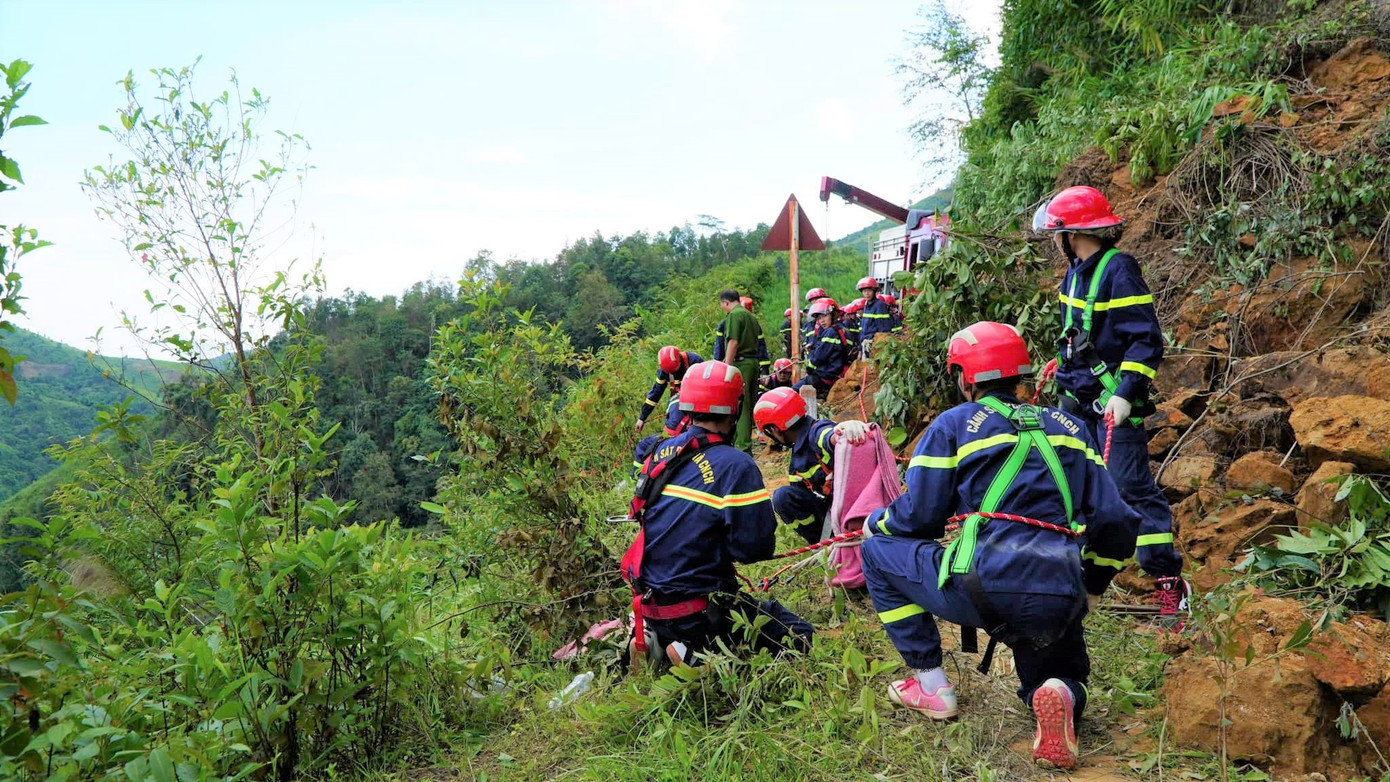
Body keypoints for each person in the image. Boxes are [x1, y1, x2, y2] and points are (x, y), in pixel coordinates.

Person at [860, 321, 1140, 771]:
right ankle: (1060, 694)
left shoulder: (954, 425)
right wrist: (1093, 586)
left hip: (983, 588)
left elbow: (921, 517)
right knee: (1060, 676)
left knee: (875, 553)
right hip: (1059, 592)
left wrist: (878, 523)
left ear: (965, 378)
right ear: (1022, 375)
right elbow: (1118, 521)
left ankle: (932, 687)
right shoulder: (1070, 427)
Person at [1034, 186, 1188, 619]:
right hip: (1074, 403)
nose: (1054, 241)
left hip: (1110, 407)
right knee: (1072, 489)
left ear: (1071, 233)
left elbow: (1145, 341)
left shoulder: (1120, 270)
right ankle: (1081, 584)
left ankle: (1168, 584)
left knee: (1129, 490)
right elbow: (1081, 332)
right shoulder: (1075, 272)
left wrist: (1123, 395)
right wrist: (1062, 364)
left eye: (1056, 234)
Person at [622, 360, 815, 668]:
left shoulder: (662, 452)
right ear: (736, 407)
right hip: (699, 607)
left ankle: (658, 638)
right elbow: (754, 549)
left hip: (650, 600)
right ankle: (698, 656)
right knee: (800, 636)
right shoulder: (735, 465)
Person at [755, 386, 870, 544]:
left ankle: (829, 541)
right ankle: (822, 543)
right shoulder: (799, 452)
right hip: (831, 508)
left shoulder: (816, 432)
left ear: (774, 429)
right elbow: (798, 490)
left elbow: (827, 436)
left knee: (781, 498)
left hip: (849, 508)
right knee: (784, 497)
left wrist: (841, 432)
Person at [717, 289, 763, 452]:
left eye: (722, 305)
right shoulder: (750, 316)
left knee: (740, 406)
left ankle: (742, 447)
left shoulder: (734, 316)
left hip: (741, 364)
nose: (723, 308)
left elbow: (733, 342)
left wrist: (726, 367)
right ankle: (743, 442)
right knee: (748, 405)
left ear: (725, 302)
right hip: (752, 362)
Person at [636, 346, 702, 436]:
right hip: (678, 406)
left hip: (698, 403)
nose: (673, 372)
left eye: (675, 369)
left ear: (679, 358)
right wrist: (642, 418)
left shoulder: (694, 361)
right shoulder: (665, 371)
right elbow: (655, 393)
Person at [795, 297, 852, 399]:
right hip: (834, 373)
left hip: (825, 376)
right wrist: (814, 345)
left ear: (833, 314)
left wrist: (809, 368)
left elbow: (818, 357)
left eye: (824, 316)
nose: (822, 321)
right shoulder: (840, 328)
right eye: (819, 318)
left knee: (792, 392)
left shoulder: (830, 332)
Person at [856, 277, 902, 357]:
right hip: (866, 345)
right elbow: (863, 330)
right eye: (864, 291)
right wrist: (860, 349)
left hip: (874, 345)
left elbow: (883, 329)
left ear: (874, 291)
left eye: (869, 291)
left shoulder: (880, 305)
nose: (867, 293)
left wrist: (879, 349)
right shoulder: (866, 305)